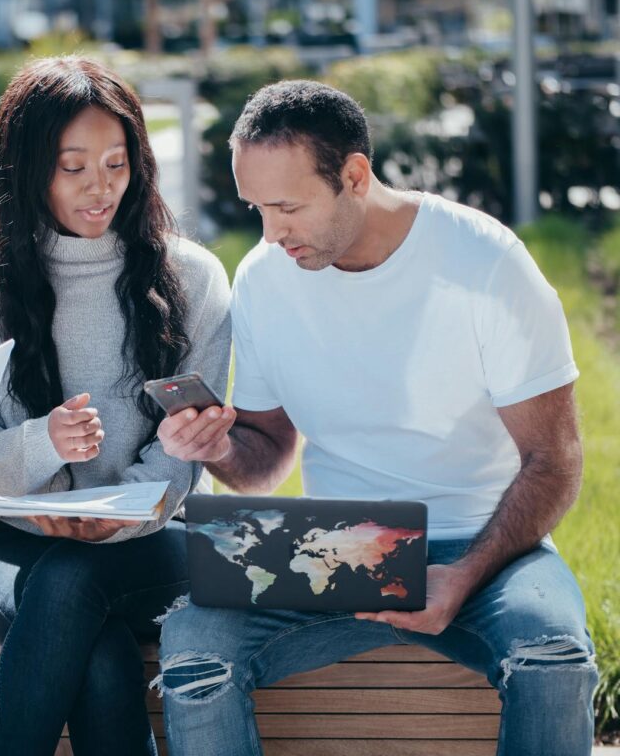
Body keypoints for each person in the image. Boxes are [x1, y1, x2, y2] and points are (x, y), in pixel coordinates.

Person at [153, 80, 598, 756]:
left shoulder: (485, 263)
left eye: (288, 207)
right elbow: (268, 459)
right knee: (192, 648)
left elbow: (556, 460)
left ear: (354, 176)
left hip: (488, 546)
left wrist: (464, 574)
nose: (271, 233)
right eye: (257, 208)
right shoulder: (266, 278)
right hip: (337, 547)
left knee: (553, 662)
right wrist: (213, 445)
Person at [0, 56, 231, 756]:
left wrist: (117, 515)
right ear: (27, 168)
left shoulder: (193, 277)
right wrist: (42, 445)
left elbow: (184, 445)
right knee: (96, 651)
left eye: (117, 163)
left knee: (73, 581)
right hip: (17, 545)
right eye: (74, 168)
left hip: (157, 541)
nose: (102, 189)